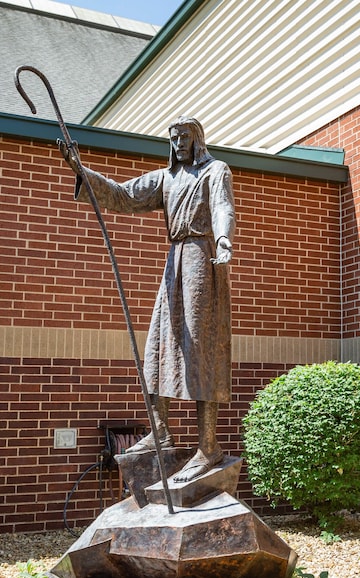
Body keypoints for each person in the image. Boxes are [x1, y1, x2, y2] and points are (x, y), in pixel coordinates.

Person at [59, 117, 234, 483]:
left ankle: (208, 446)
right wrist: (81, 169)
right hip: (174, 262)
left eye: (184, 136)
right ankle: (160, 431)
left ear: (197, 138)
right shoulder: (165, 178)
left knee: (200, 347)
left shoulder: (215, 170)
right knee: (158, 345)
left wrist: (222, 239)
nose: (179, 143)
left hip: (202, 257)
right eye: (173, 138)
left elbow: (222, 206)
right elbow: (124, 195)